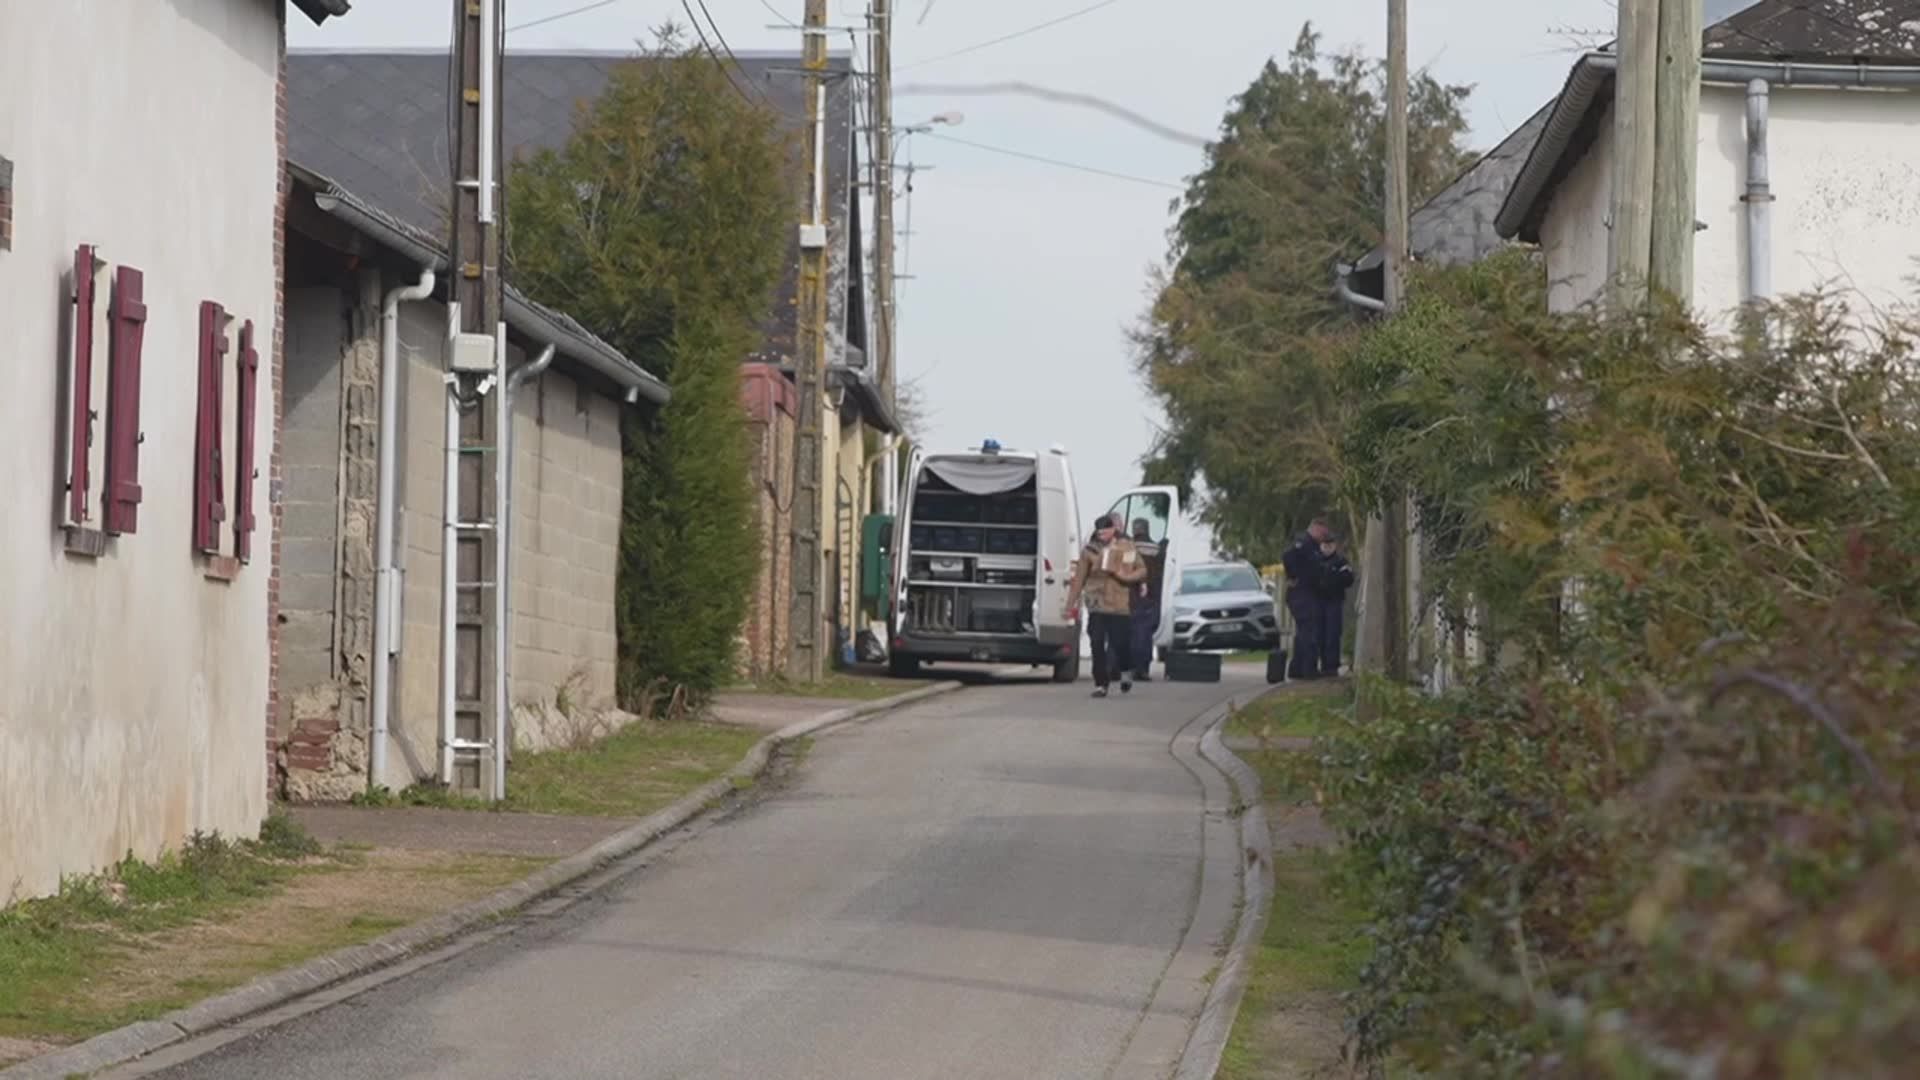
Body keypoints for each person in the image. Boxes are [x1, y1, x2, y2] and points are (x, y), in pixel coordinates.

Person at [1065, 514, 1148, 698]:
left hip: (1119, 604)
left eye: (1105, 531)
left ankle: (1126, 671)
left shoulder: (1127, 547)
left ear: (1113, 530)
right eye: (1099, 531)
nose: (1102, 534)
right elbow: (1079, 579)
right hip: (1097, 604)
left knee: (1121, 644)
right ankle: (1101, 684)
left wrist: (1126, 577)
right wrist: (1070, 605)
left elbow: (1141, 570)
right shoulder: (1089, 551)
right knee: (1096, 643)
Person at [1280, 518, 1332, 681]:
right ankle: (1308, 669)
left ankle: (1298, 668)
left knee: (1304, 632)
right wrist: (1293, 575)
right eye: (1323, 533)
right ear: (1315, 529)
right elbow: (1287, 556)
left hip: (1308, 594)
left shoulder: (1313, 546)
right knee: (1309, 632)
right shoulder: (1304, 543)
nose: (1324, 537)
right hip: (1301, 594)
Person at [1128, 517, 1166, 682]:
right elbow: (1160, 573)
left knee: (1130, 632)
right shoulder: (1156, 549)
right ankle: (1142, 668)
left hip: (1131, 595)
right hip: (1150, 597)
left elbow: (1126, 570)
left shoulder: (1130, 548)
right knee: (1145, 634)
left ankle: (1127, 666)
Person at [1313, 535, 1355, 678]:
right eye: (1324, 545)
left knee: (1332, 634)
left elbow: (1349, 579)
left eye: (1330, 545)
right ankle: (1322, 664)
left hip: (1334, 602)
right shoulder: (1315, 561)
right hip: (1318, 603)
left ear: (1335, 546)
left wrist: (1334, 579)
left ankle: (1331, 666)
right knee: (1320, 634)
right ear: (1320, 546)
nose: (1327, 548)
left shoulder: (1340, 562)